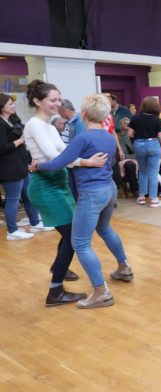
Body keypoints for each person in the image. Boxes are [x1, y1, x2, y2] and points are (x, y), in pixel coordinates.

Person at [33, 93, 133, 309]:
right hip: (109, 190)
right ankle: (124, 267)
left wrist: (36, 166)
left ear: (84, 114)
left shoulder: (83, 138)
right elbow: (110, 162)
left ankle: (100, 292)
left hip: (92, 194)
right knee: (104, 229)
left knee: (80, 242)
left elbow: (57, 163)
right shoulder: (108, 137)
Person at [24, 80, 108, 305]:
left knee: (71, 234)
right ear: (37, 101)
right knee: (73, 237)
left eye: (59, 99)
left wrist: (83, 159)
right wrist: (86, 162)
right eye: (52, 100)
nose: (57, 103)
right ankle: (55, 292)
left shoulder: (50, 126)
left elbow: (65, 151)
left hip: (59, 184)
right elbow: (54, 157)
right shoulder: (34, 124)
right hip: (45, 186)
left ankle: (57, 268)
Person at [0, 94, 48, 240]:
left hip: (20, 165)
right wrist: (21, 140)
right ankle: (12, 231)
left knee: (29, 194)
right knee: (13, 199)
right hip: (10, 168)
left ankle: (35, 222)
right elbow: (2, 148)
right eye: (10, 104)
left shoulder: (8, 122)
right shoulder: (1, 124)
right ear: (2, 107)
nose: (14, 106)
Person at [129, 96, 161, 207]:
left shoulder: (135, 118)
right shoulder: (156, 119)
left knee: (142, 171)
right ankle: (153, 199)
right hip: (153, 145)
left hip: (138, 145)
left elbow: (130, 134)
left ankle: (141, 197)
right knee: (153, 172)